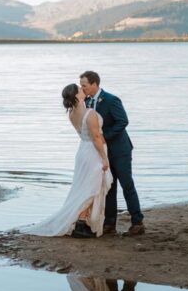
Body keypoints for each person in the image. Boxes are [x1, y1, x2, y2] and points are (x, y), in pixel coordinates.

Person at [21, 83, 113, 238]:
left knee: (85, 188)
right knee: (92, 188)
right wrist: (104, 159)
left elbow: (85, 135)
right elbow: (96, 137)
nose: (82, 89)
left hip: (83, 151)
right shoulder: (89, 114)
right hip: (93, 152)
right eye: (79, 89)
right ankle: (81, 223)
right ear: (76, 96)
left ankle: (82, 222)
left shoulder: (72, 114)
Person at [79, 71, 145, 236]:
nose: (82, 88)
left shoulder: (111, 99)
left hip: (120, 150)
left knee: (126, 185)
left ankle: (137, 223)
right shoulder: (85, 102)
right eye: (81, 85)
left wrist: (104, 137)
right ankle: (110, 224)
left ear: (94, 84)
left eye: (84, 85)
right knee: (109, 187)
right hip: (101, 153)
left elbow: (123, 121)